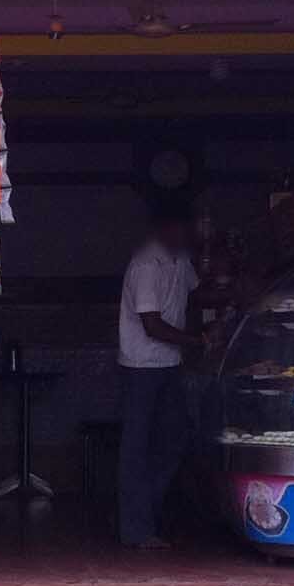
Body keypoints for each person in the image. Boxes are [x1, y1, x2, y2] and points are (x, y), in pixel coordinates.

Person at [116, 191, 202, 549]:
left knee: (173, 440)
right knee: (136, 448)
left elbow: (198, 293)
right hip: (141, 367)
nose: (189, 234)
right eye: (184, 227)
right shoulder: (146, 264)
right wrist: (197, 341)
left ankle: (146, 513)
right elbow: (152, 324)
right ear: (166, 228)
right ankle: (136, 529)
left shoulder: (180, 260)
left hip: (170, 365)